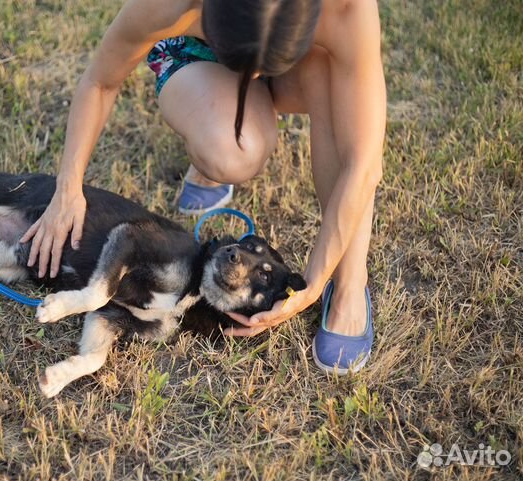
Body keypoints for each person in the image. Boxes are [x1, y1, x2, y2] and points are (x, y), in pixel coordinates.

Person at [21, 0, 386, 373]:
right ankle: (218, 125)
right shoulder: (169, 6)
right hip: (200, 54)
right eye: (251, 68)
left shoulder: (345, 7)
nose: (257, 75)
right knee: (231, 151)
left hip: (311, 59)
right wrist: (68, 189)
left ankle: (351, 285)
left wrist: (318, 280)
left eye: (265, 67)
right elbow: (100, 81)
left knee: (328, 73)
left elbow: (363, 163)